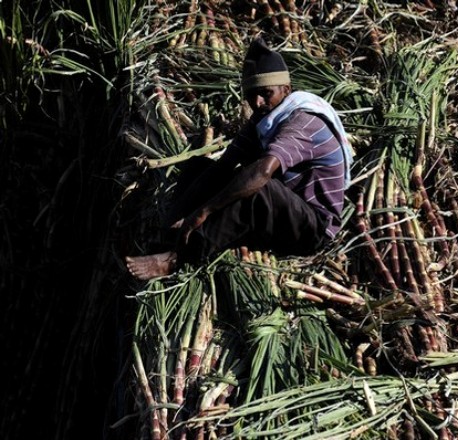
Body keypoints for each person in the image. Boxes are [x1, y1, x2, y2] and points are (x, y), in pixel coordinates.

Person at [126, 37, 353, 280]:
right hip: (280, 213)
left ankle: (179, 258)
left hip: (311, 229)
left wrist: (204, 211)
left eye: (266, 94)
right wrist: (178, 218)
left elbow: (263, 172)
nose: (257, 103)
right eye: (251, 96)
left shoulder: (304, 121)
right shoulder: (264, 119)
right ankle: (169, 237)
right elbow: (224, 164)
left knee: (259, 187)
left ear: (286, 90)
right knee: (200, 166)